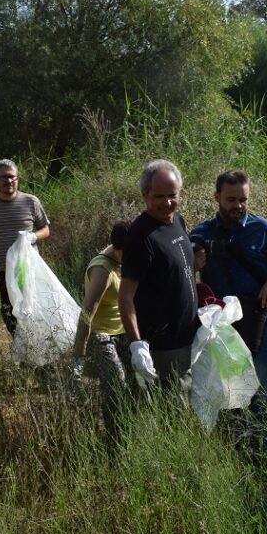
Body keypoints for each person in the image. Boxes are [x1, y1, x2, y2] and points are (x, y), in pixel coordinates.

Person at [190, 170, 267, 453]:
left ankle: (263, 453)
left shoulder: (262, 228)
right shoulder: (200, 233)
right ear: (217, 198)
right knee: (231, 391)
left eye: (243, 200)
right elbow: (181, 270)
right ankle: (238, 450)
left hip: (259, 320)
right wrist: (193, 263)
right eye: (231, 199)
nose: (237, 206)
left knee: (263, 393)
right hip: (222, 325)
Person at [118, 160, 199, 395]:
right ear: (145, 195)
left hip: (188, 337)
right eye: (159, 196)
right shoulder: (141, 236)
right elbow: (125, 296)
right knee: (173, 411)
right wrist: (136, 345)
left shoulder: (177, 221)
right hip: (163, 347)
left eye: (172, 195)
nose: (167, 203)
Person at [0, 159, 50, 334]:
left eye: (12, 177)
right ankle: (22, 352)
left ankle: (41, 353)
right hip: (4, 271)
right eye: (3, 177)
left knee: (34, 309)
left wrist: (34, 236)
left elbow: (45, 229)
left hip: (30, 268)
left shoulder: (31, 201)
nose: (9, 181)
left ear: (18, 179)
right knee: (10, 311)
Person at [72, 221, 136, 438]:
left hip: (123, 332)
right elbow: (86, 312)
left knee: (138, 383)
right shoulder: (102, 270)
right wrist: (78, 357)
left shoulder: (121, 261)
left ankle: (130, 431)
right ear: (119, 249)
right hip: (101, 336)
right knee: (116, 386)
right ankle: (114, 437)